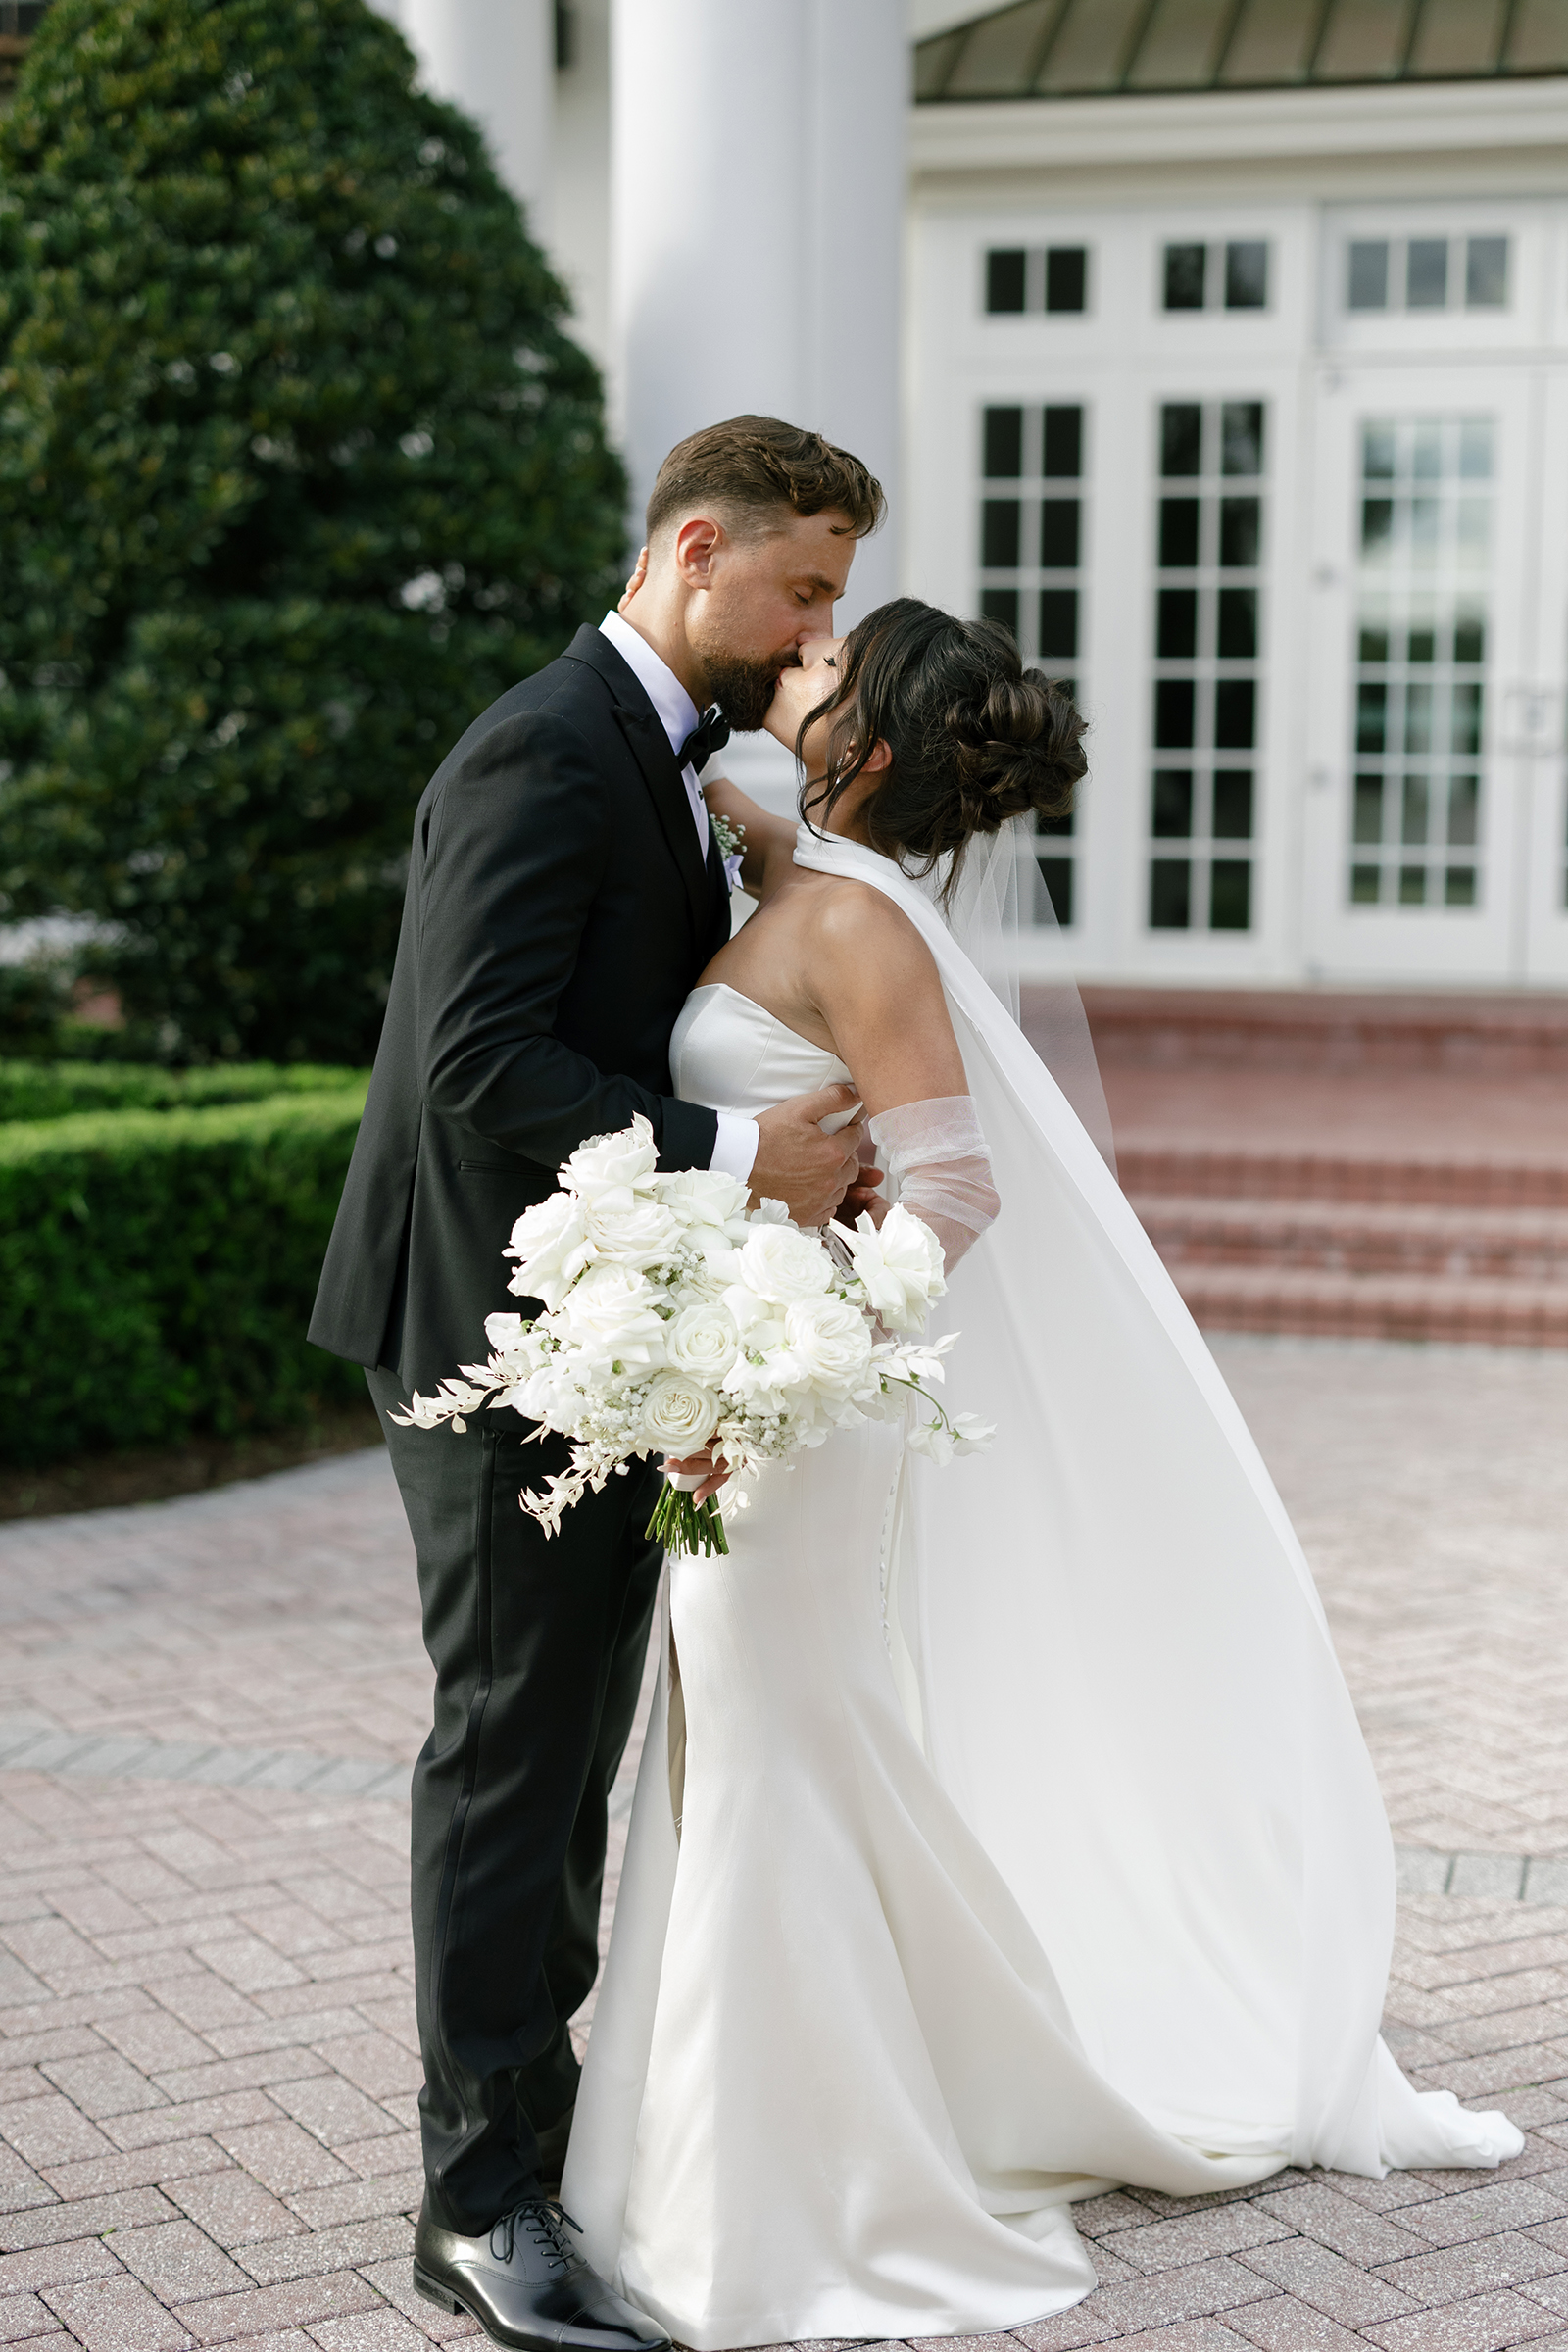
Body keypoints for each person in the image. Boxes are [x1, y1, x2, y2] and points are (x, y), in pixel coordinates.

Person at [558, 597, 1523, 2349]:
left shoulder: (859, 928)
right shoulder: (816, 884)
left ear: (871, 741)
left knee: (779, 1750)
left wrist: (786, 1360)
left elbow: (955, 1193)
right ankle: (758, 2141)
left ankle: (801, 2190)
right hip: (753, 1379)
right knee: (764, 1744)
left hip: (798, 1408)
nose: (798, 670)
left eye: (827, 675)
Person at [307, 416, 887, 2352]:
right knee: (507, 1753)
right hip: (488, 1332)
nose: (818, 627)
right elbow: (475, 1060)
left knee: (559, 1756)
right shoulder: (541, 746)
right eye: (803, 587)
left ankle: (526, 2145)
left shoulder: (657, 758)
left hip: (601, 1330)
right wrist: (750, 1171)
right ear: (698, 547)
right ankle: (474, 2206)